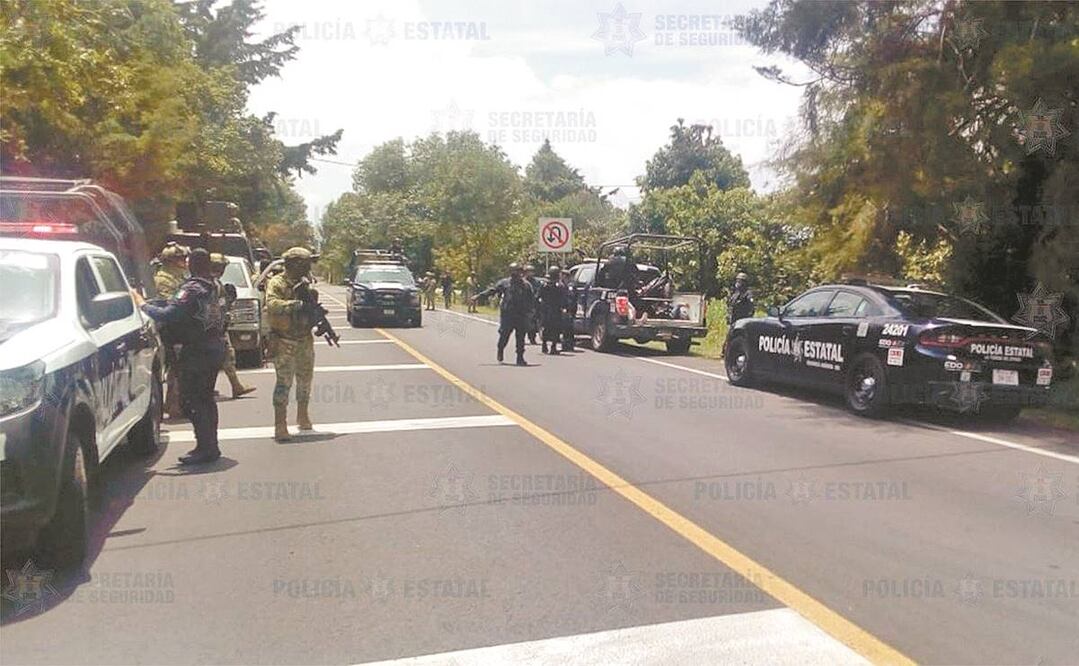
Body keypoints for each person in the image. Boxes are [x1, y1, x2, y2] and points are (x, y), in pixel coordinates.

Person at [140, 249, 226, 464]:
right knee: (206, 399)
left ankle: (205, 448)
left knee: (191, 401)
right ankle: (210, 446)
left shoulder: (191, 288)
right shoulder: (214, 285)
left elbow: (169, 315)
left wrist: (142, 304)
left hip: (197, 351)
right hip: (214, 347)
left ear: (191, 264)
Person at [266, 247, 319, 442]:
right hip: (284, 340)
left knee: (305, 379)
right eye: (304, 264)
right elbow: (272, 304)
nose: (308, 267)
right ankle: (280, 424)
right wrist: (295, 305)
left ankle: (302, 415)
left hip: (304, 339)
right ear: (294, 264)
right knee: (284, 382)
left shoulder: (305, 282)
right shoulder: (277, 282)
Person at [209, 253, 256, 399]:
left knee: (226, 356)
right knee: (218, 357)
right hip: (212, 329)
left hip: (218, 327)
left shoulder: (215, 283)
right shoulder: (210, 283)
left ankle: (235, 386)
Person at [471, 263, 534, 366]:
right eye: (514, 271)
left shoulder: (526, 285)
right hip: (508, 314)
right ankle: (500, 349)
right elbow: (492, 290)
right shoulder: (505, 283)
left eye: (518, 271)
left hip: (521, 314)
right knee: (504, 335)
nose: (516, 274)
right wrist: (478, 296)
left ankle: (520, 357)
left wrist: (531, 313)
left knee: (520, 337)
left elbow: (531, 300)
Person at [153, 242, 189, 419]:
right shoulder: (163, 279)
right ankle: (174, 405)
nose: (183, 262)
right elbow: (169, 303)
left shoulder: (180, 277)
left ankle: (171, 402)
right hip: (170, 328)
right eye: (179, 259)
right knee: (176, 367)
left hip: (182, 327)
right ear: (170, 261)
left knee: (180, 367)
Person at [537, 266, 566, 355]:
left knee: (545, 328)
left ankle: (544, 345)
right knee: (556, 329)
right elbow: (563, 299)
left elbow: (538, 296)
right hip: (555, 310)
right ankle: (553, 347)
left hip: (545, 309)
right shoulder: (560, 286)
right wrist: (564, 307)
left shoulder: (544, 284)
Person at [523, 264, 541, 344]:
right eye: (528, 272)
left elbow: (539, 291)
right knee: (522, 323)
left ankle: (532, 338)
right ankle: (521, 338)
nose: (530, 273)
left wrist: (536, 298)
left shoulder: (536, 282)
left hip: (533, 304)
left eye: (531, 272)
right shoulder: (522, 282)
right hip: (523, 305)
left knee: (533, 323)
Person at [560, 268, 577, 352]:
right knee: (565, 328)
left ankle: (568, 345)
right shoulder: (562, 284)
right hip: (564, 309)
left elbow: (571, 298)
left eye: (562, 275)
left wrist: (568, 309)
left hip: (569, 309)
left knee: (568, 328)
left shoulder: (570, 286)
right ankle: (566, 345)